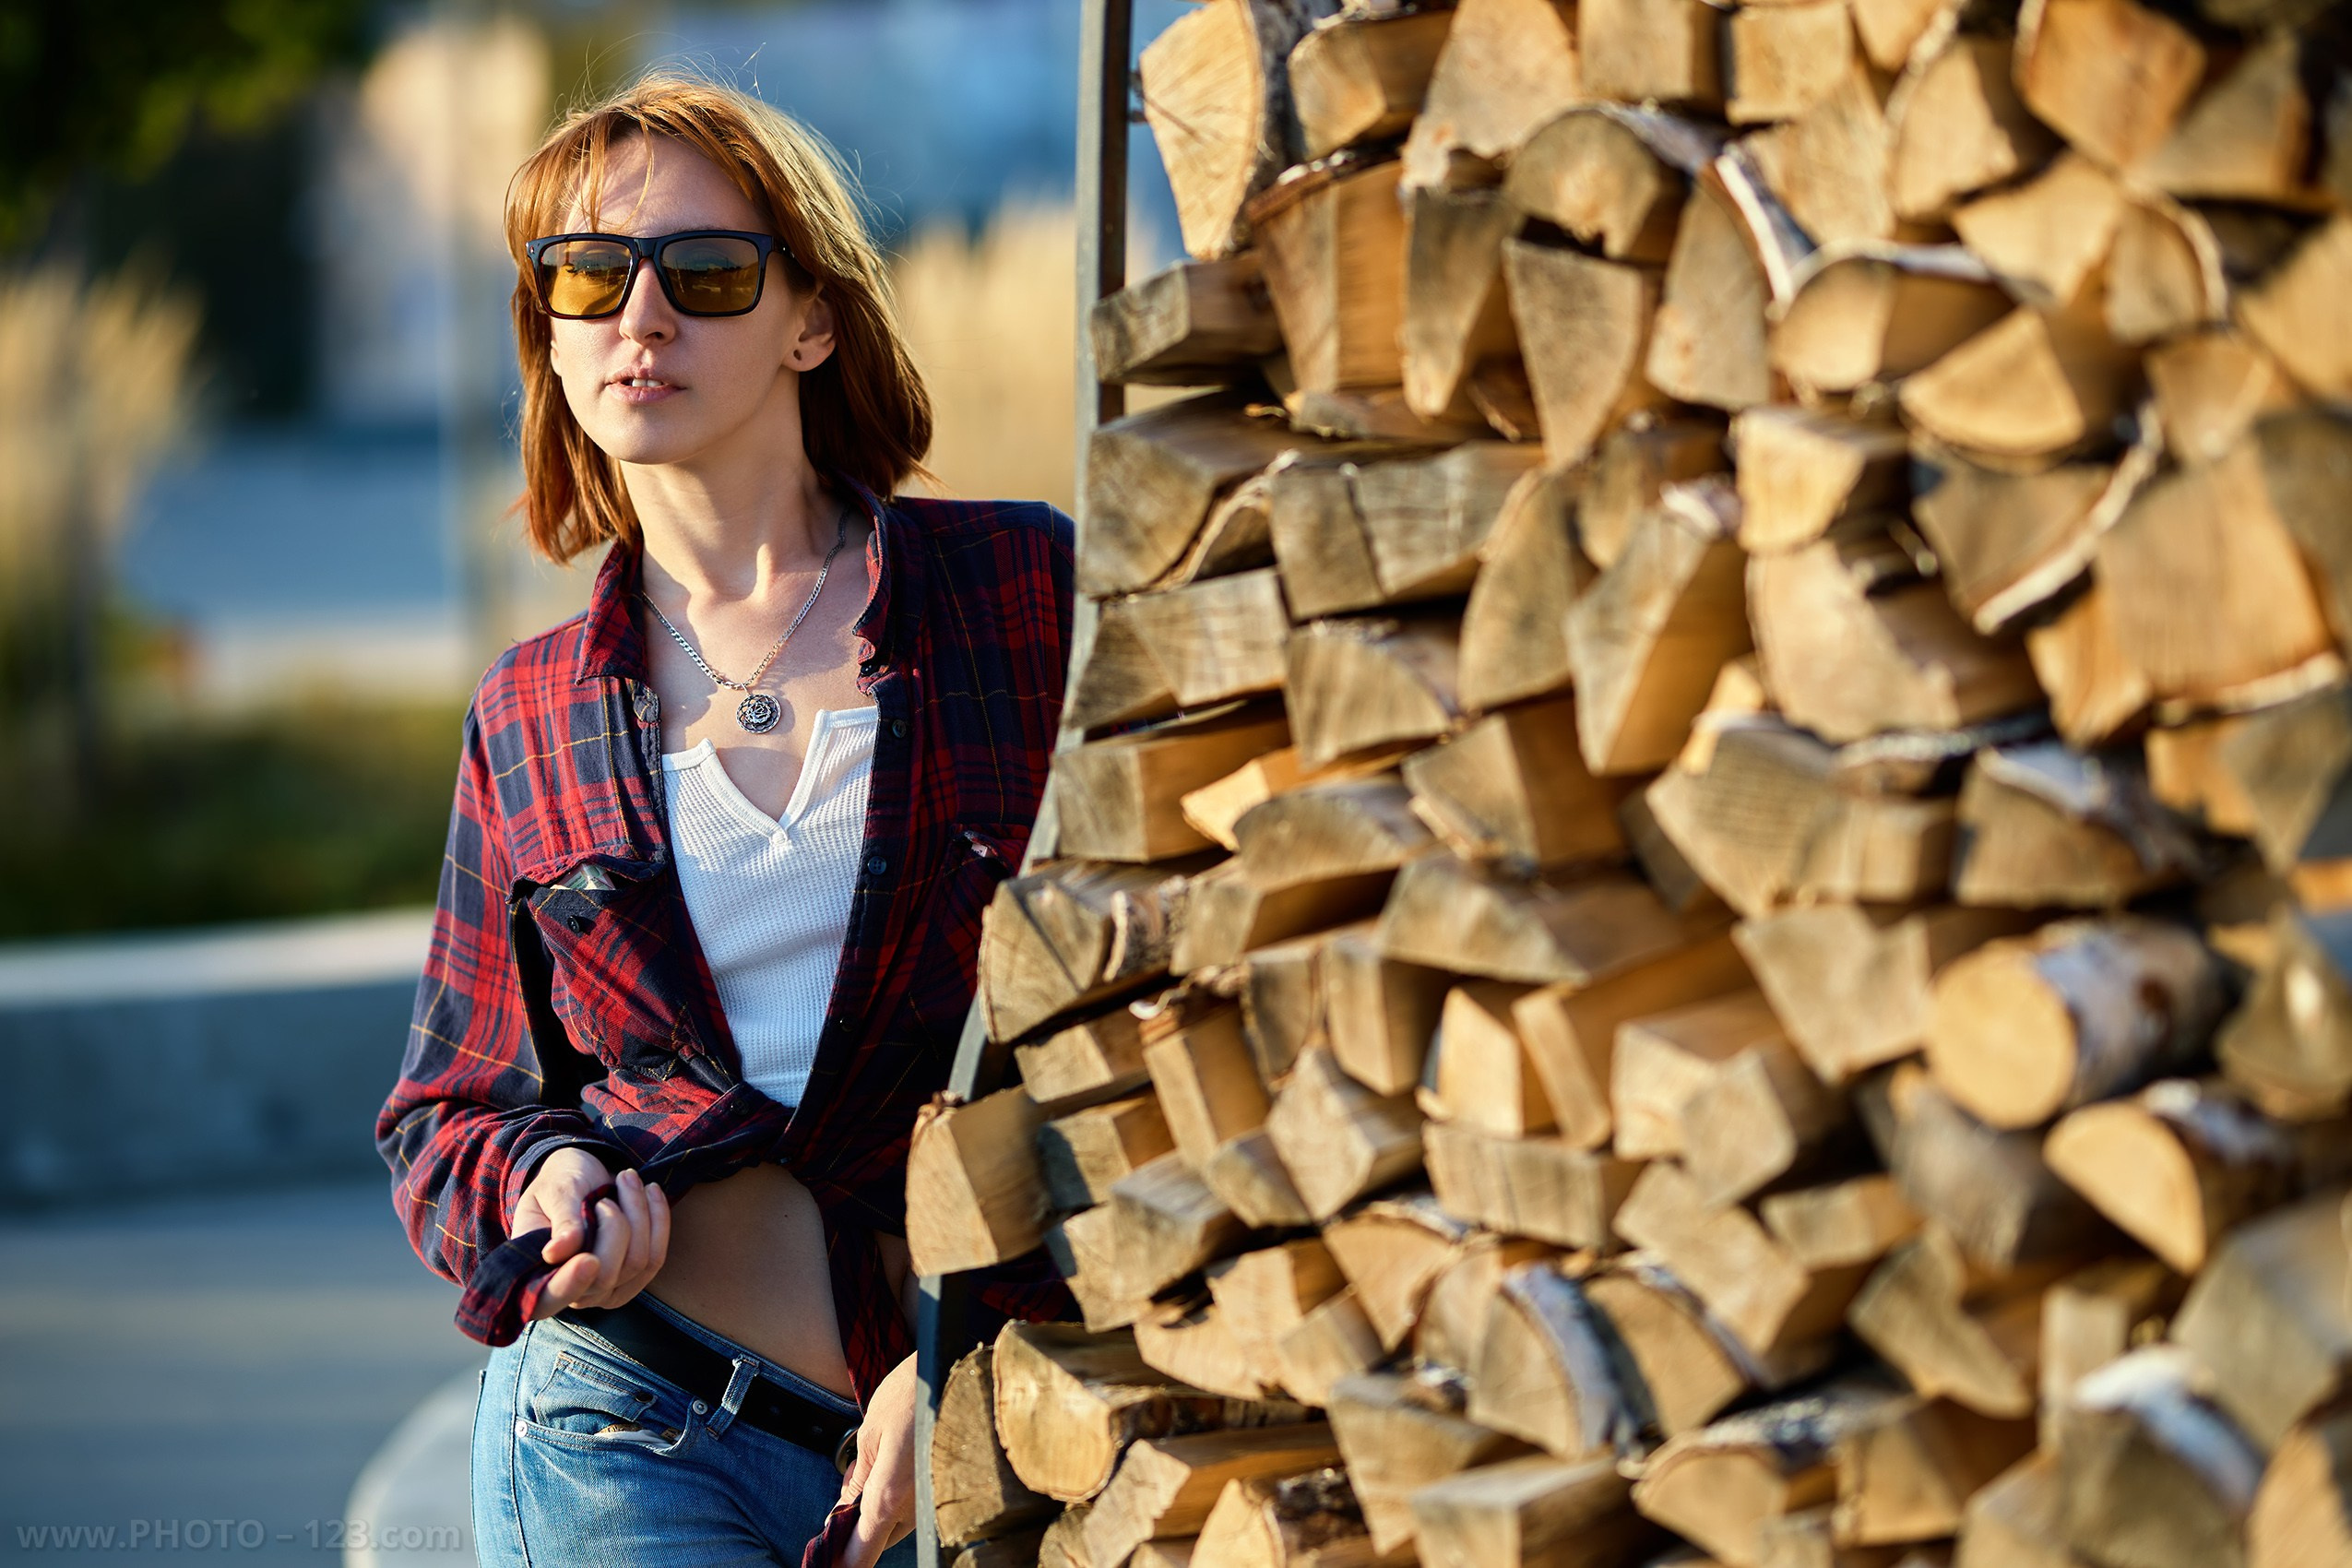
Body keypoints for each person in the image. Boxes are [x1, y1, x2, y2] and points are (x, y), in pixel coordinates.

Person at [375, 70, 1072, 1568]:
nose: (642, 318)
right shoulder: (531, 711)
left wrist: (973, 1356)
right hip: (625, 1420)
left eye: (704, 273)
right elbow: (449, 1111)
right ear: (549, 338)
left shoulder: (1016, 598)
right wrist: (545, 1179)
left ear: (810, 319)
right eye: (586, 277)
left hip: (982, 1418)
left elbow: (1139, 1014)